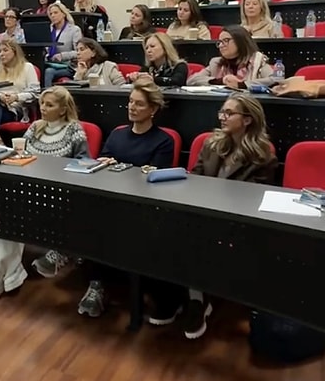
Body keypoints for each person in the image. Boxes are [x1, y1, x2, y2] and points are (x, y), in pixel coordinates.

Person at [33, 81, 174, 318]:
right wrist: (106, 164)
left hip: (138, 205)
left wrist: (123, 168)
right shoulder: (118, 134)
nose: (132, 107)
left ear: (153, 110)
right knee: (88, 212)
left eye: (139, 104)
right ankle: (92, 281)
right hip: (107, 196)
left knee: (101, 222)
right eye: (130, 101)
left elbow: (154, 177)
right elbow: (103, 161)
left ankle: (73, 261)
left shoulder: (163, 141)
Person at [147, 93, 278, 340]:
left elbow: (253, 201)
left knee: (194, 239)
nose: (222, 117)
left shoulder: (263, 156)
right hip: (199, 212)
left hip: (233, 223)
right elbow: (193, 179)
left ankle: (197, 301)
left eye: (229, 113)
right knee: (157, 229)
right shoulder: (211, 144)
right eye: (222, 112)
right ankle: (172, 298)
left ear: (248, 120)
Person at [0, 87, 90, 305]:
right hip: (29, 190)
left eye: (50, 105)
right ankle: (6, 271)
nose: (43, 109)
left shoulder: (75, 129)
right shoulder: (35, 127)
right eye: (42, 104)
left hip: (59, 196)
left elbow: (84, 165)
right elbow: (23, 154)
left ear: (63, 109)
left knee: (13, 213)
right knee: (7, 210)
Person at [0, 39, 40, 144]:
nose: (1, 54)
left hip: (14, 110)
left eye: (5, 50)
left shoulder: (27, 68)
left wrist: (16, 97)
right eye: (0, 51)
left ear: (15, 52)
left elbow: (35, 92)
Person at [186, 25, 275, 89]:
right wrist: (220, 81)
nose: (221, 45)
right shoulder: (216, 62)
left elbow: (274, 80)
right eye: (220, 42)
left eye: (226, 40)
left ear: (240, 42)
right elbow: (191, 81)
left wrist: (241, 84)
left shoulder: (257, 61)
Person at [44, 2, 83, 87]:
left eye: (56, 13)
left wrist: (62, 55)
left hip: (68, 65)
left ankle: (48, 96)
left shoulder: (74, 30)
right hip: (50, 62)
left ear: (63, 14)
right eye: (50, 14)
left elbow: (79, 52)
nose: (53, 16)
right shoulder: (48, 30)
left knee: (49, 71)